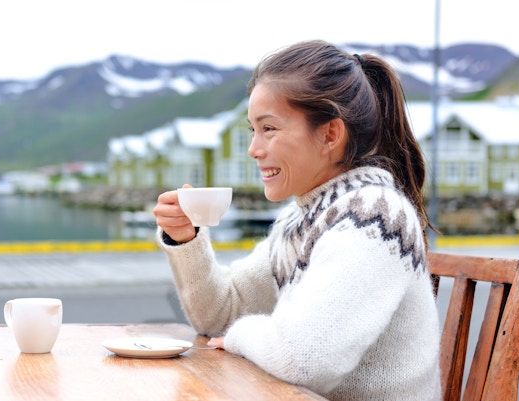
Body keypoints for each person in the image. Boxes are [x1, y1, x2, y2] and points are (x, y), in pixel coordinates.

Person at [152, 40, 441, 401]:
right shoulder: (302, 217)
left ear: (330, 134)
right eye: (252, 130)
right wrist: (186, 239)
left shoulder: (374, 217)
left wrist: (239, 337)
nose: (253, 149)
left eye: (269, 128)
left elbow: (304, 359)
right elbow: (221, 313)